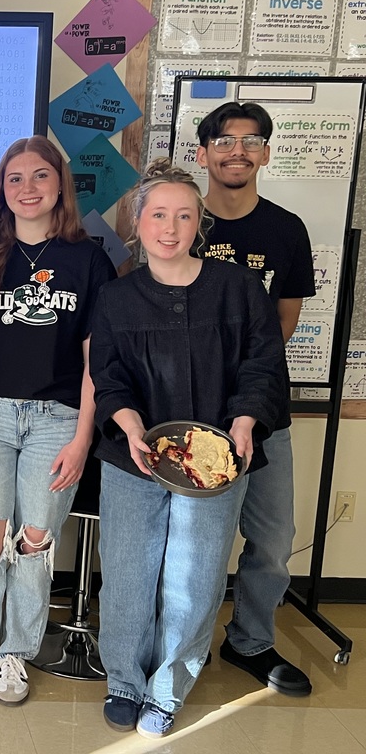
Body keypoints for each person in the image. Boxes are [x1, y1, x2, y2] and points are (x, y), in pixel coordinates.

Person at [90, 159, 287, 738]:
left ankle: (168, 687)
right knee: (127, 572)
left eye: (183, 215)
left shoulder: (238, 289)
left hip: (216, 459)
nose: (169, 228)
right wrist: (127, 424)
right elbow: (109, 375)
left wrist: (247, 422)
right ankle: (123, 680)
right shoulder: (117, 297)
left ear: (199, 222)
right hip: (137, 456)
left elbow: (262, 364)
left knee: (194, 576)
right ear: (138, 220)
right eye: (158, 214)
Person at [0, 136, 117, 705]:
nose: (27, 189)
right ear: (1, 190)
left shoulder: (89, 259)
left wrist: (84, 434)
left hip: (58, 421)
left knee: (37, 542)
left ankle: (15, 652)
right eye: (14, 179)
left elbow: (97, 356)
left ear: (59, 184)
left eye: (39, 176)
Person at [196, 101, 315, 696]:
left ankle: (250, 641)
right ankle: (185, 642)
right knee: (200, 538)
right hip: (193, 410)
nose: (236, 150)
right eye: (224, 140)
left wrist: (247, 388)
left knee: (270, 536)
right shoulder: (183, 224)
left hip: (265, 411)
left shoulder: (286, 230)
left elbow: (284, 323)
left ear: (265, 153)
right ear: (204, 154)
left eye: (250, 140)